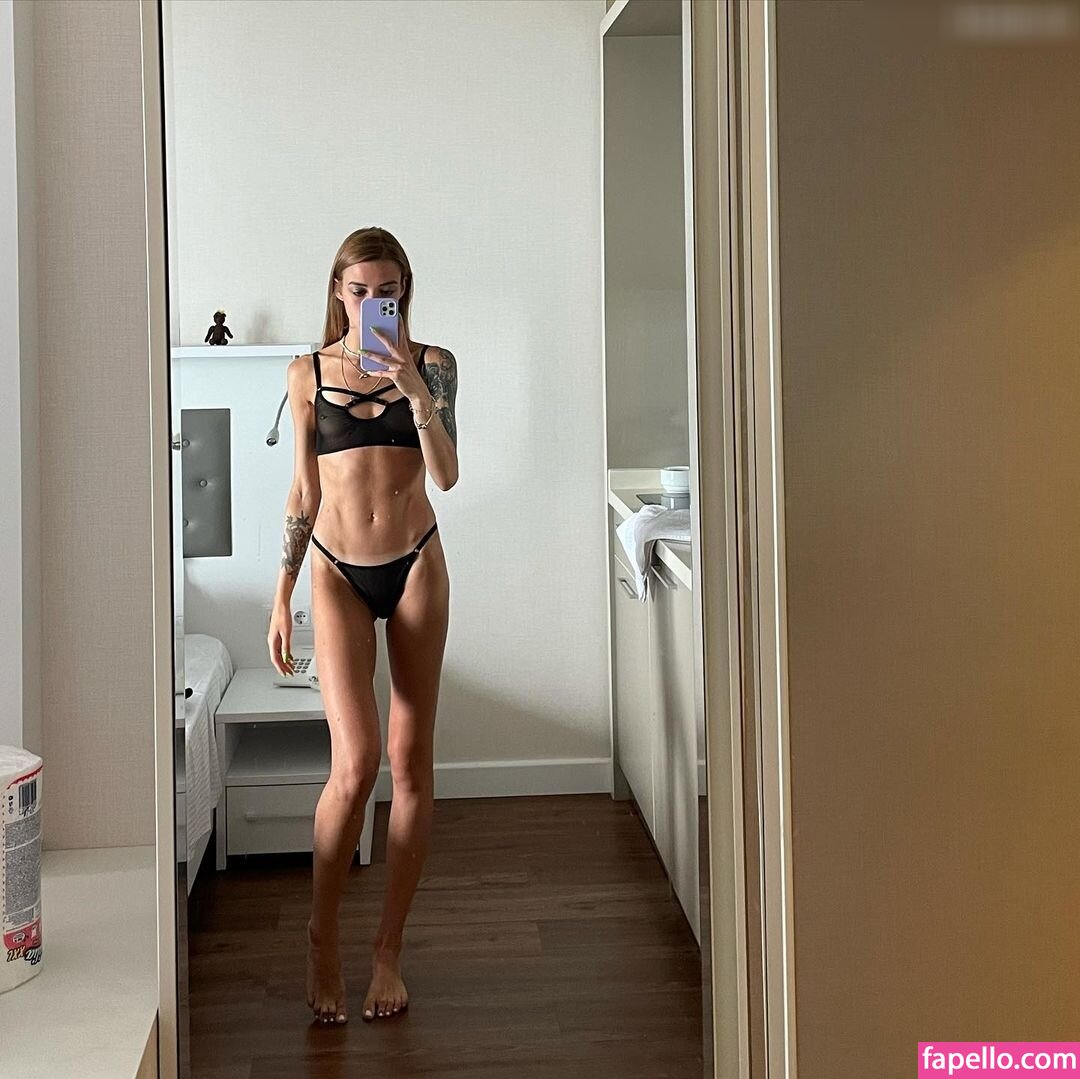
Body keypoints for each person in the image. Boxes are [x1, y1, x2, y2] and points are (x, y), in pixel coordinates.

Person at [267, 226, 459, 1025]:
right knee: (356, 763)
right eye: (359, 292)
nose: (374, 303)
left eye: (388, 292)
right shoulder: (307, 373)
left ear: (403, 291)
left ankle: (388, 950)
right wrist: (281, 593)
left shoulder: (435, 364)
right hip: (337, 570)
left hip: (415, 563)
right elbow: (303, 492)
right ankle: (321, 936)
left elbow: (446, 474)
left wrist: (413, 387)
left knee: (411, 762)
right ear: (337, 292)